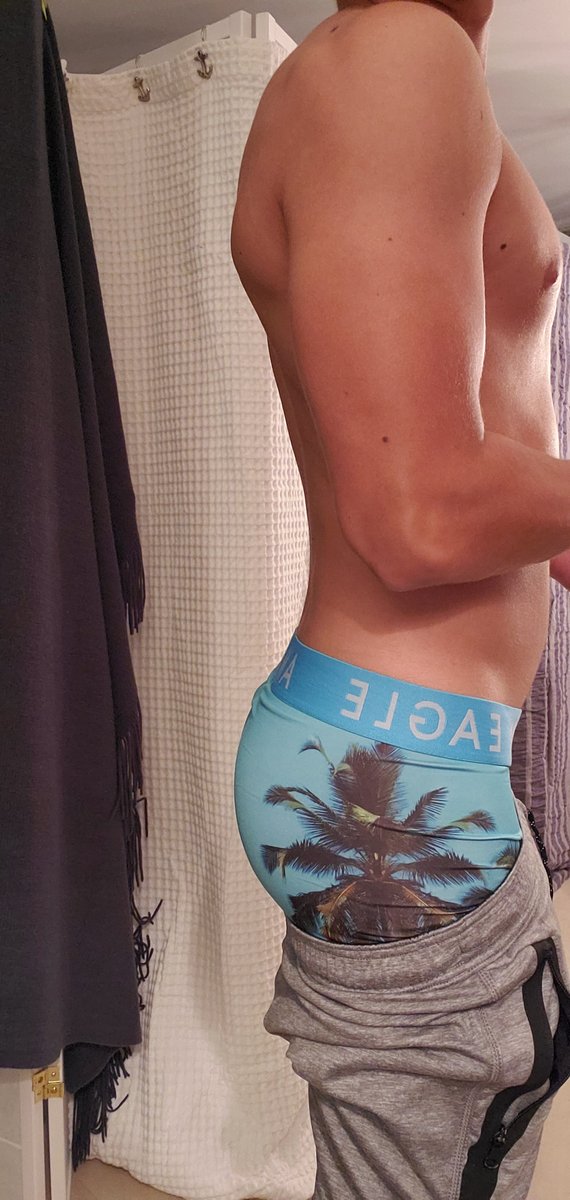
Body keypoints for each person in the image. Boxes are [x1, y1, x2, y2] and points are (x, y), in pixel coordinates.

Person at [231, 2, 570, 1196]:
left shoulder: (413, 61)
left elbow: (451, 453)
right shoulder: (397, 57)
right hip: (393, 771)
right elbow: (417, 512)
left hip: (390, 746)